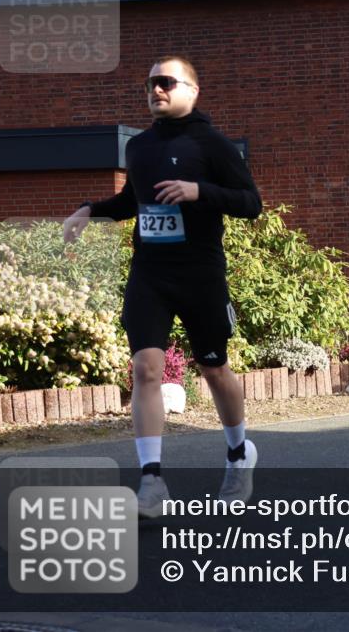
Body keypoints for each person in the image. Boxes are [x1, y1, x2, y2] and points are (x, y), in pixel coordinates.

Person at [63, 56, 263, 518]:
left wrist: (200, 192)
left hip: (200, 274)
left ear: (192, 90)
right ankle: (151, 481)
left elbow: (251, 203)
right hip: (150, 273)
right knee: (145, 369)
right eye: (150, 83)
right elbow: (131, 202)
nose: (156, 90)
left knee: (214, 368)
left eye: (166, 82)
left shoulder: (212, 144)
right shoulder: (140, 147)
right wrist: (90, 210)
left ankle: (239, 453)